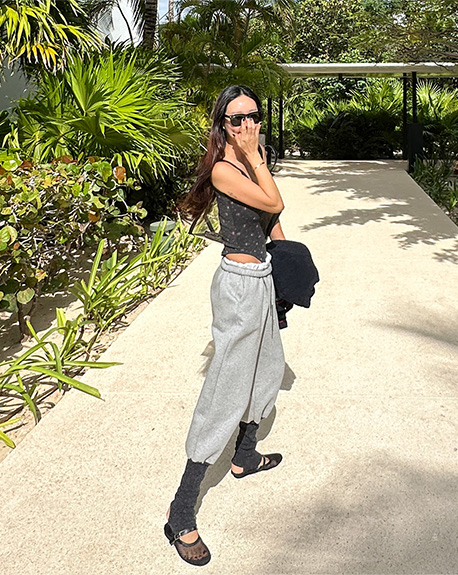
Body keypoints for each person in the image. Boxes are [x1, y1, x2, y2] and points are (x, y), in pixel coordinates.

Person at [164, 85, 286, 566]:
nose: (247, 125)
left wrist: (288, 264)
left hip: (263, 279)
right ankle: (180, 510)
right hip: (238, 287)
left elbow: (272, 220)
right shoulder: (224, 168)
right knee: (226, 390)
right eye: (236, 119)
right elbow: (273, 201)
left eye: (253, 116)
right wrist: (255, 158)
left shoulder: (255, 160)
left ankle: (245, 455)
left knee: (267, 371)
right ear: (223, 125)